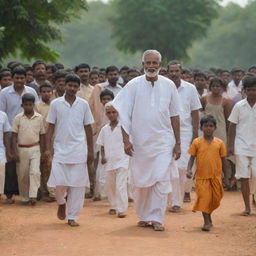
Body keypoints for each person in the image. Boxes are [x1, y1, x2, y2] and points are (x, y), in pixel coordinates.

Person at [112, 49, 181, 231]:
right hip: (140, 143)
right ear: (143, 65)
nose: (151, 66)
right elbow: (122, 113)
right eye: (148, 63)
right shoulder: (133, 85)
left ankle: (157, 218)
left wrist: (178, 142)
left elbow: (175, 115)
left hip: (163, 141)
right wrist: (126, 140)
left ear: (160, 65)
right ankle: (143, 215)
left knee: (161, 179)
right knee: (140, 182)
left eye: (154, 63)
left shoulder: (169, 85)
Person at [45, 74, 94, 227]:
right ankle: (61, 202)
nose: (72, 88)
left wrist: (90, 151)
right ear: (64, 86)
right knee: (59, 182)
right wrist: (47, 149)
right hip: (60, 149)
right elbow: (50, 127)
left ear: (78, 88)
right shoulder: (55, 104)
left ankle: (72, 216)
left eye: (75, 86)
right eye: (69, 85)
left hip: (79, 149)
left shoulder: (84, 104)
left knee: (78, 185)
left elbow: (88, 127)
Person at [0, 66, 39, 203]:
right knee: (10, 163)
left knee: (29, 167)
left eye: (22, 78)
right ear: (12, 78)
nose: (19, 80)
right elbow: (2, 113)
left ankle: (31, 193)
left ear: (26, 78)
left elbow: (36, 108)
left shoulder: (32, 91)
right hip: (10, 131)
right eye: (17, 77)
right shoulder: (4, 93)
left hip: (28, 129)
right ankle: (10, 194)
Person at [167, 61, 201, 209]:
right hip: (166, 131)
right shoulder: (164, 87)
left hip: (186, 131)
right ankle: (167, 199)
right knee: (168, 166)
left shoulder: (190, 89)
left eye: (176, 71)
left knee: (182, 166)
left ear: (181, 72)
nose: (174, 74)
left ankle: (177, 201)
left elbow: (195, 112)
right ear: (168, 72)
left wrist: (195, 134)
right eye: (171, 71)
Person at [187, 115, 227, 232]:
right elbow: (191, 158)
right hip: (201, 177)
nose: (208, 128)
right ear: (201, 128)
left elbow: (224, 161)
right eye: (206, 126)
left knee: (215, 198)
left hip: (216, 177)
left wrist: (227, 177)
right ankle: (207, 221)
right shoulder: (197, 142)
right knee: (204, 198)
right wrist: (189, 169)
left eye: (211, 126)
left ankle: (209, 217)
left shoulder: (219, 143)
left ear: (215, 128)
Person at [228, 76, 256, 216]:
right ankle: (247, 207)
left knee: (255, 176)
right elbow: (232, 126)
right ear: (244, 91)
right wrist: (230, 145)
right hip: (241, 146)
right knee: (244, 177)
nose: (252, 92)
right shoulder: (239, 106)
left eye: (254, 90)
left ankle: (254, 198)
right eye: (249, 90)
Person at [12, 93, 46, 205]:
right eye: (26, 105)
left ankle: (33, 196)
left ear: (33, 105)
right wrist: (15, 151)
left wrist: (43, 150)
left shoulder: (39, 118)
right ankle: (24, 197)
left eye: (30, 105)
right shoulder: (18, 118)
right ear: (22, 105)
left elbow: (42, 134)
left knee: (35, 172)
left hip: (35, 147)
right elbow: (14, 135)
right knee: (23, 174)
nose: (28, 107)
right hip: (22, 149)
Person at [96, 102, 129, 217]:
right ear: (106, 114)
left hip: (122, 159)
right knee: (110, 185)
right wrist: (103, 156)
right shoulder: (104, 129)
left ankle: (122, 209)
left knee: (120, 185)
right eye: (109, 113)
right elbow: (102, 145)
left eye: (114, 112)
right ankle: (113, 205)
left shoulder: (124, 127)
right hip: (109, 161)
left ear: (118, 113)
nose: (111, 115)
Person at [35, 82, 55, 202]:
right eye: (44, 92)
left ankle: (52, 190)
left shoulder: (56, 104)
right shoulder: (37, 106)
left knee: (52, 165)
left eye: (49, 91)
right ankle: (42, 190)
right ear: (40, 93)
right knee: (42, 164)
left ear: (52, 92)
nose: (47, 94)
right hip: (41, 138)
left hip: (54, 138)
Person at [93, 89, 115, 200]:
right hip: (101, 143)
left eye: (108, 99)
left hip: (114, 146)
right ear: (101, 100)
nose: (106, 101)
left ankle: (114, 194)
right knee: (100, 169)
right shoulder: (98, 112)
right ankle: (99, 193)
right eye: (104, 99)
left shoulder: (114, 112)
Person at [201, 78, 233, 145]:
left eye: (217, 86)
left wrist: (228, 133)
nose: (215, 88)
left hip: (220, 128)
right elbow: (201, 113)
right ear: (210, 87)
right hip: (207, 128)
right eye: (213, 86)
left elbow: (227, 119)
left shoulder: (226, 101)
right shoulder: (204, 99)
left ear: (221, 87)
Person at [0, 111, 12, 199]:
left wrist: (8, 151)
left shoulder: (3, 115)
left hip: (0, 149)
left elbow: (6, 133)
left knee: (1, 171)